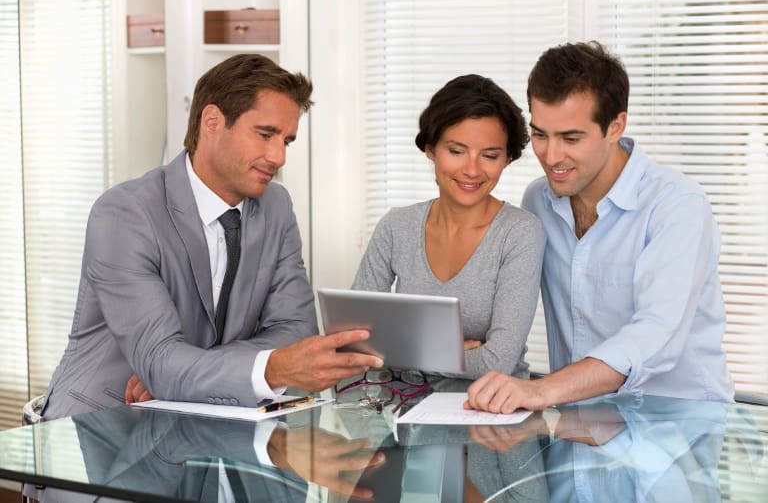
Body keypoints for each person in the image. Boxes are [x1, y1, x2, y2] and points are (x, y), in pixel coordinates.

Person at [41, 53, 383, 421]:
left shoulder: (276, 208)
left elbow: (295, 332)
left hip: (203, 426)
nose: (279, 156)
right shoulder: (125, 214)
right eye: (266, 134)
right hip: (104, 431)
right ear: (212, 121)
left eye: (287, 140)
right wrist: (266, 368)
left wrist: (182, 372)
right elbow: (160, 360)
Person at [466, 41, 734, 414]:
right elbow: (507, 293)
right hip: (579, 424)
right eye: (541, 135)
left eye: (571, 138)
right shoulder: (538, 202)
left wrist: (541, 391)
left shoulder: (676, 206)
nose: (551, 156)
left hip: (675, 431)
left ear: (615, 126)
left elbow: (655, 332)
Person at [352, 74, 546, 380]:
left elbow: (497, 361)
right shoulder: (396, 227)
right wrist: (445, 353)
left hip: (493, 411)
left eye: (490, 156)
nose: (471, 170)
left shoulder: (520, 233)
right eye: (456, 151)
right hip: (404, 409)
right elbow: (356, 339)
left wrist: (402, 353)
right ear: (431, 148)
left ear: (507, 159)